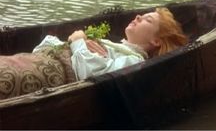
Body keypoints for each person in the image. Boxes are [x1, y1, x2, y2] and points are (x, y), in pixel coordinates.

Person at [0, 7, 187, 99]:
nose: (137, 16)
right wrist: (74, 42)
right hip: (33, 61)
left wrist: (78, 42)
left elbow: (90, 76)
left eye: (147, 19)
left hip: (48, 74)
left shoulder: (132, 61)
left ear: (156, 41)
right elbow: (40, 49)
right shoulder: (112, 46)